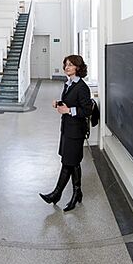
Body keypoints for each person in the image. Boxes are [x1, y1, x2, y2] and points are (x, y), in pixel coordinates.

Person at [39, 55, 94, 212]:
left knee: (68, 163)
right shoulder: (68, 84)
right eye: (65, 65)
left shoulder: (82, 87)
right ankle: (77, 193)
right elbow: (71, 103)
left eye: (70, 65)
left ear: (78, 67)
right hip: (67, 128)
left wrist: (69, 110)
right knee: (73, 162)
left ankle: (56, 194)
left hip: (75, 131)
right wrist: (59, 104)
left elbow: (87, 109)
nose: (66, 67)